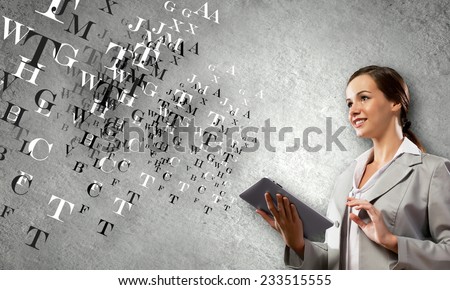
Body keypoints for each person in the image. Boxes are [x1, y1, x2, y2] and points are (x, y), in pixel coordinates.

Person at [257, 65, 450, 270]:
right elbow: (335, 261)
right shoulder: (346, 178)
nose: (353, 111)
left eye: (364, 98)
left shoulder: (433, 171)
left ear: (395, 102)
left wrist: (392, 242)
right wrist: (297, 243)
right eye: (349, 103)